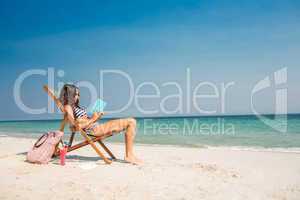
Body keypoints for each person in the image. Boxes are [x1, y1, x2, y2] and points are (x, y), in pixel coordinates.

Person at [59, 84, 142, 165]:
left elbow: (82, 122)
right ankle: (129, 155)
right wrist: (93, 119)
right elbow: (75, 127)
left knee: (131, 121)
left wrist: (96, 117)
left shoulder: (75, 107)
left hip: (96, 127)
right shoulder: (68, 107)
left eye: (78, 94)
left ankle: (129, 155)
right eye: (75, 94)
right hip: (94, 130)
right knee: (131, 121)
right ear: (69, 95)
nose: (78, 97)